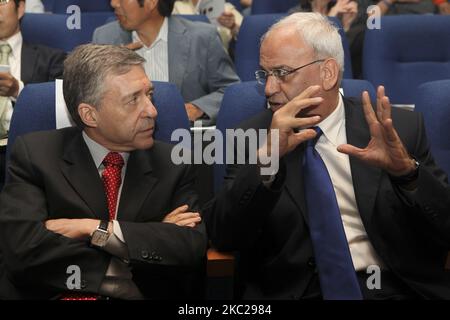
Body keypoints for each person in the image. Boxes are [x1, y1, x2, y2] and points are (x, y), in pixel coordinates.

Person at [203, 13, 450, 299]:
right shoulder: (251, 139)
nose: (269, 89)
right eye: (265, 74)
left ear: (328, 73)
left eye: (282, 73)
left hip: (388, 288)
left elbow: (444, 227)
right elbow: (224, 235)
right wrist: (268, 160)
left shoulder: (397, 130)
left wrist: (407, 174)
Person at [0, 44, 207, 300]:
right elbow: (22, 250)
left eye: (149, 94)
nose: (152, 110)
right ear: (90, 115)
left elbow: (190, 246)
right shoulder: (35, 155)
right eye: (133, 100)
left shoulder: (173, 162)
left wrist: (94, 230)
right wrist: (118, 268)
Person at [92, 0, 240, 126]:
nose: (113, 3)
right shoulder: (105, 38)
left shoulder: (201, 37)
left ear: (151, 2)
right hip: (127, 143)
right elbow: (91, 97)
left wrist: (198, 108)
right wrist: (110, 66)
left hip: (183, 144)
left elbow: (231, 90)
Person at [0, 0, 66, 191]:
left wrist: (18, 90)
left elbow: (61, 107)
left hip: (30, 152)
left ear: (20, 8)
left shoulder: (52, 58)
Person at [172, 0, 243, 51]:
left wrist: (233, 26)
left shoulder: (225, 8)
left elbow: (247, 35)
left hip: (218, 61)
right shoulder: (176, 7)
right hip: (187, 61)